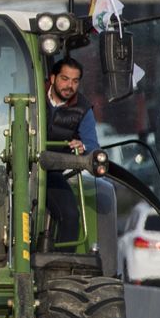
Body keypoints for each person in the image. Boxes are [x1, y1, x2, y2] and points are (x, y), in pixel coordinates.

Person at [43, 57, 99, 245]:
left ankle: (59, 262)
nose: (70, 86)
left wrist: (83, 147)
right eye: (65, 79)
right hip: (20, 170)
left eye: (75, 81)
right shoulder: (31, 95)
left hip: (51, 173)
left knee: (70, 215)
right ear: (52, 78)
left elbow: (93, 148)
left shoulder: (83, 109)